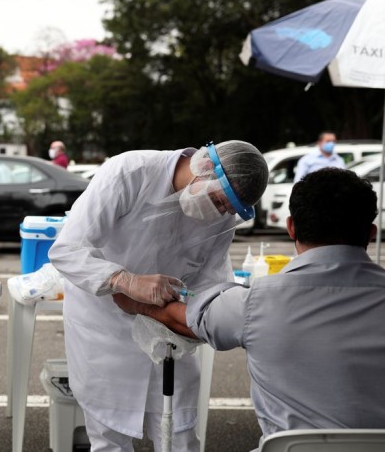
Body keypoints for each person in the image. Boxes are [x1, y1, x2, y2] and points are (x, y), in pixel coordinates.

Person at [113, 167, 385, 444]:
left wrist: (132, 296)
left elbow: (183, 320)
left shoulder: (256, 301)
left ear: (291, 227)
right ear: (371, 233)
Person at [48, 140, 268, 451]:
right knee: (109, 435)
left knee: (179, 428)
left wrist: (210, 313)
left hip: (168, 330)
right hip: (104, 323)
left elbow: (210, 280)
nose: (220, 214)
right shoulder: (130, 172)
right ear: (205, 167)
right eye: (220, 202)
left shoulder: (222, 222)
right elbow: (66, 250)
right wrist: (123, 280)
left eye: (228, 210)